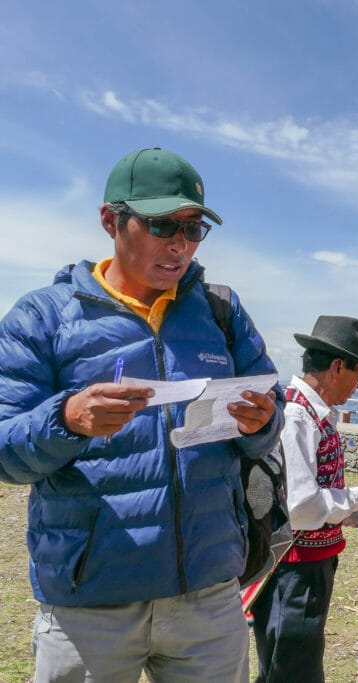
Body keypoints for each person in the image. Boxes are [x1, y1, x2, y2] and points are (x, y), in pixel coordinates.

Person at [0, 147, 283, 682]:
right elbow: (5, 449)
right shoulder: (44, 317)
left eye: (194, 227)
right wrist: (67, 418)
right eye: (161, 224)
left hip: (209, 596)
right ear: (111, 220)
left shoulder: (222, 311)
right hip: (92, 603)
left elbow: (270, 422)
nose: (180, 244)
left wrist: (261, 421)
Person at [251, 315, 358, 682]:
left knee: (287, 662)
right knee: (293, 668)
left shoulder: (311, 413)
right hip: (294, 568)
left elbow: (312, 497)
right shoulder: (298, 416)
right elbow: (301, 509)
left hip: (305, 564)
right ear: (338, 367)